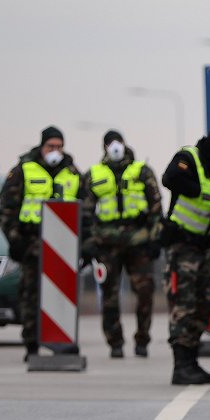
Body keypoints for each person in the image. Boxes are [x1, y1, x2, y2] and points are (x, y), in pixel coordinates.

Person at [160, 124, 210, 385]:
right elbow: (169, 178)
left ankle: (192, 363)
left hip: (203, 248)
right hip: (182, 247)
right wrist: (194, 189)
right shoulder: (189, 159)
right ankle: (181, 366)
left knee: (202, 308)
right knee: (184, 306)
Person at [0, 126, 83, 359]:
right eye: (50, 147)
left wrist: (86, 243)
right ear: (42, 146)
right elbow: (7, 208)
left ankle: (63, 340)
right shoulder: (24, 170)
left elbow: (85, 211)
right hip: (32, 243)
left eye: (59, 147)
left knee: (63, 294)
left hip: (64, 247)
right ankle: (32, 344)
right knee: (30, 295)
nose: (55, 151)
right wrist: (15, 240)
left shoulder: (73, 173)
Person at [82, 130, 163, 358]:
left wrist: (156, 238)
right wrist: (89, 243)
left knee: (145, 290)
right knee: (109, 294)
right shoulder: (93, 174)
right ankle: (115, 342)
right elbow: (85, 213)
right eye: (110, 143)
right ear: (105, 147)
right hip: (107, 243)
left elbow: (156, 206)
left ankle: (142, 340)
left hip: (138, 240)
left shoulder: (142, 171)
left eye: (117, 142)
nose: (114, 147)